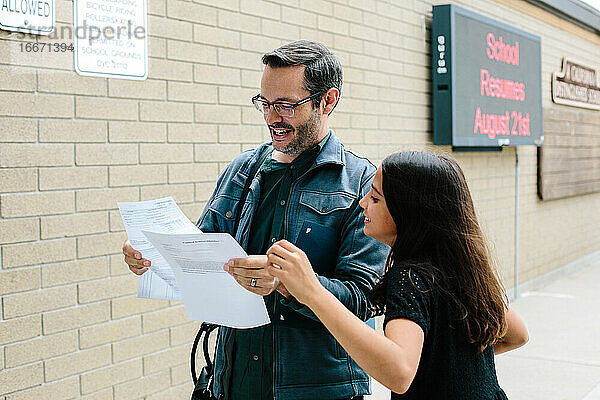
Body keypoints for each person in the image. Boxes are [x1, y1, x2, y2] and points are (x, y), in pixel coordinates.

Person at [122, 40, 389, 400]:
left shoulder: (360, 183)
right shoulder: (242, 170)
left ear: (328, 101)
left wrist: (288, 283)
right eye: (264, 104)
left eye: (285, 106)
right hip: (234, 381)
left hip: (318, 389)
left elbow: (363, 298)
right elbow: (201, 252)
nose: (271, 118)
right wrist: (153, 256)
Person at [266, 151, 529, 399]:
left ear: (409, 211)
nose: (363, 203)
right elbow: (517, 334)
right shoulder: (460, 265)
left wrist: (312, 292)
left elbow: (399, 372)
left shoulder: (409, 277)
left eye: (376, 198)